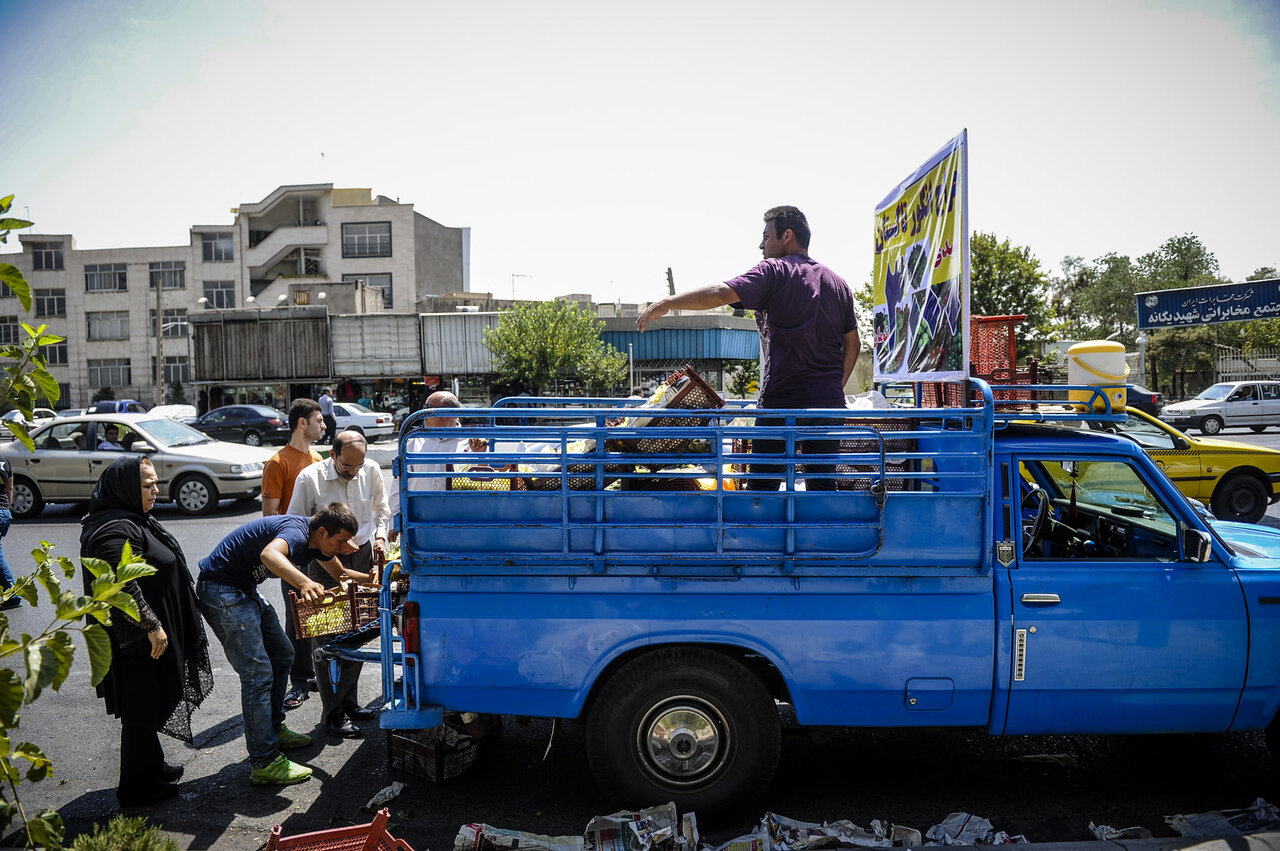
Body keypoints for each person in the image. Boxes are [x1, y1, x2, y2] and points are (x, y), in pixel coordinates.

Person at [637, 206, 860, 491]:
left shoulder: (774, 270)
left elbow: (720, 293)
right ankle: (820, 536)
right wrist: (834, 387)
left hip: (782, 402)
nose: (761, 244)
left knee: (762, 489)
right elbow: (853, 344)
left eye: (767, 236)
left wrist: (668, 302)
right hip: (827, 406)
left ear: (787, 236)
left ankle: (763, 535)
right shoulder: (838, 283)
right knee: (823, 486)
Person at [80, 456, 214, 806]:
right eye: (147, 485)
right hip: (134, 641)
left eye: (156, 483)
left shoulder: (133, 520)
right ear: (125, 488)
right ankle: (136, 789)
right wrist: (152, 624)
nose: (156, 489)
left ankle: (152, 765)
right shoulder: (113, 529)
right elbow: (119, 580)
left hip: (147, 638)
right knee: (140, 711)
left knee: (149, 703)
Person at [194, 504, 358, 786]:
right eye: (340, 540)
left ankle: (273, 728)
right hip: (222, 591)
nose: (345, 545)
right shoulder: (295, 532)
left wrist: (374, 580)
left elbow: (341, 575)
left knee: (283, 655)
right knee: (257, 674)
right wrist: (304, 582)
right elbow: (269, 555)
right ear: (321, 531)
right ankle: (264, 761)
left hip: (243, 591)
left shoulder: (318, 543)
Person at [287, 429, 390, 739]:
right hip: (321, 561)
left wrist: (382, 537)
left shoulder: (370, 470)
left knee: (359, 630)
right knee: (325, 641)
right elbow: (297, 523)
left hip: (362, 554)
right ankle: (332, 714)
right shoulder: (309, 478)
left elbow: (381, 510)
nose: (354, 472)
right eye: (348, 466)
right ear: (332, 455)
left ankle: (349, 702)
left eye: (358, 466)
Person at [262, 399, 325, 711]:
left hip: (319, 547)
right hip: (291, 551)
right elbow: (269, 518)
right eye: (318, 420)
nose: (324, 425)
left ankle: (316, 673)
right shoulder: (277, 462)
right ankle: (298, 681)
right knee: (297, 617)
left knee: (320, 611)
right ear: (302, 423)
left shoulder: (317, 457)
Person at [0, 457, 19, 608]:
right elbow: (10, 489)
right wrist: (8, 508)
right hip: (4, 512)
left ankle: (12, 595)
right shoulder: (5, 461)